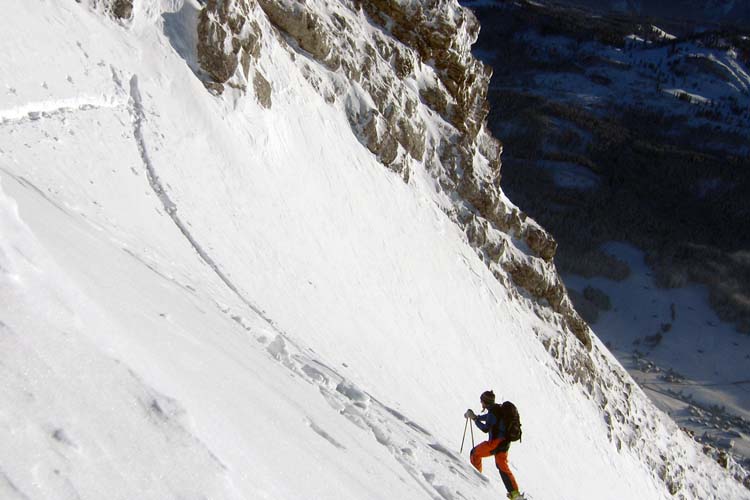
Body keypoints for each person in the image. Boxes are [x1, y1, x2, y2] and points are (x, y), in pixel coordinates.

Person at [464, 390, 521, 500]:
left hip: (495, 443)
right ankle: (515, 494)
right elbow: (487, 418)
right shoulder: (497, 409)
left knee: (474, 453)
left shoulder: (492, 412)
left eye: (482, 401)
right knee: (502, 466)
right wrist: (476, 417)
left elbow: (485, 428)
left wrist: (475, 419)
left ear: (485, 402)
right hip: (505, 442)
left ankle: (475, 479)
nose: (481, 403)